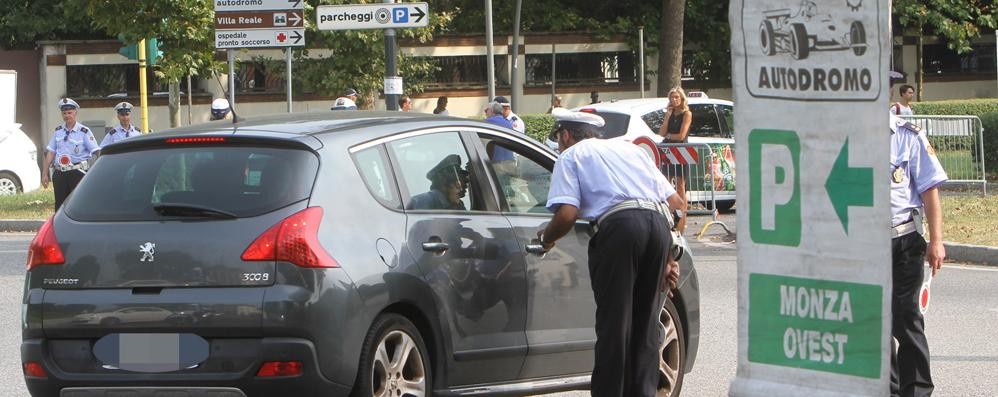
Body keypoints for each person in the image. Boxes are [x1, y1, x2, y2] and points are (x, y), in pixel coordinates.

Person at [537, 109, 684, 397]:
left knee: (614, 328)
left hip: (619, 230)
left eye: (559, 138)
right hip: (658, 227)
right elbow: (676, 204)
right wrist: (669, 258)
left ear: (566, 135)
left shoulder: (571, 156)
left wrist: (546, 238)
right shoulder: (630, 151)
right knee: (645, 327)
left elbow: (567, 213)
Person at [889, 114, 947, 396]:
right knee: (872, 321)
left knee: (906, 316)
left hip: (904, 240)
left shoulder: (908, 136)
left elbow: (929, 190)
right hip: (862, 246)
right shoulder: (847, 134)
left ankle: (917, 390)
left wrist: (936, 241)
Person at [42, 98, 99, 210]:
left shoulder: (84, 132)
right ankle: (61, 227)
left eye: (69, 113)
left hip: (78, 172)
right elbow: (51, 152)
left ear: (75, 113)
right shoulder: (58, 131)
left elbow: (96, 151)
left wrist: (100, 169)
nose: (67, 115)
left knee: (79, 204)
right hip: (60, 173)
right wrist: (44, 173)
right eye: (64, 113)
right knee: (60, 206)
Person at [658, 87, 692, 232]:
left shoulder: (687, 114)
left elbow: (681, 136)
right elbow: (662, 132)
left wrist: (669, 136)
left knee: (680, 185)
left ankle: (682, 217)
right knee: (665, 182)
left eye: (677, 97)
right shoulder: (670, 113)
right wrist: (667, 116)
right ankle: (668, 214)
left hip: (681, 150)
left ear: (682, 98)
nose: (674, 100)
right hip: (668, 150)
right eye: (672, 97)